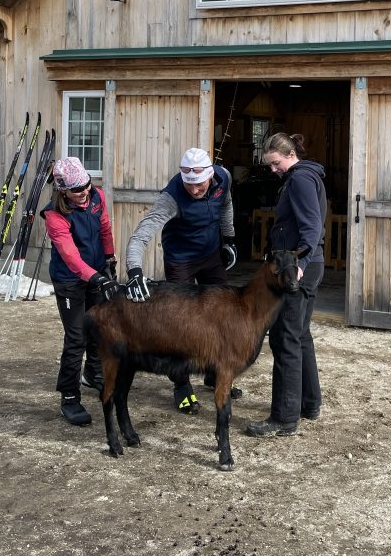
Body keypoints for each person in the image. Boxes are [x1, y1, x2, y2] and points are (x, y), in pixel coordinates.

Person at [124, 146, 237, 412]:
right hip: (181, 259)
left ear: (210, 176)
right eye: (189, 185)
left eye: (199, 185)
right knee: (182, 324)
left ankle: (213, 373)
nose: (195, 190)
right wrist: (134, 272)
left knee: (221, 314)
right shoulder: (171, 198)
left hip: (210, 254)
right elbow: (140, 236)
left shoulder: (224, 178)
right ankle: (182, 385)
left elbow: (226, 205)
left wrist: (230, 239)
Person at [246, 131, 327, 439]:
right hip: (305, 264)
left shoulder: (300, 180)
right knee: (300, 334)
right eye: (270, 165)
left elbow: (312, 226)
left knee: (284, 338)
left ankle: (284, 417)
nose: (272, 170)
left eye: (275, 163)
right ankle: (309, 403)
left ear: (290, 155)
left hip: (299, 267)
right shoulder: (303, 176)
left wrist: (301, 265)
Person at [41, 157, 118, 426]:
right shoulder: (55, 216)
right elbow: (70, 256)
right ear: (63, 190)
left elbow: (105, 228)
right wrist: (97, 277)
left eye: (85, 184)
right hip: (69, 280)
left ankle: (93, 373)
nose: (84, 191)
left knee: (97, 328)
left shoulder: (96, 196)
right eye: (76, 189)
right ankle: (69, 397)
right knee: (76, 338)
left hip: (96, 271)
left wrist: (110, 258)